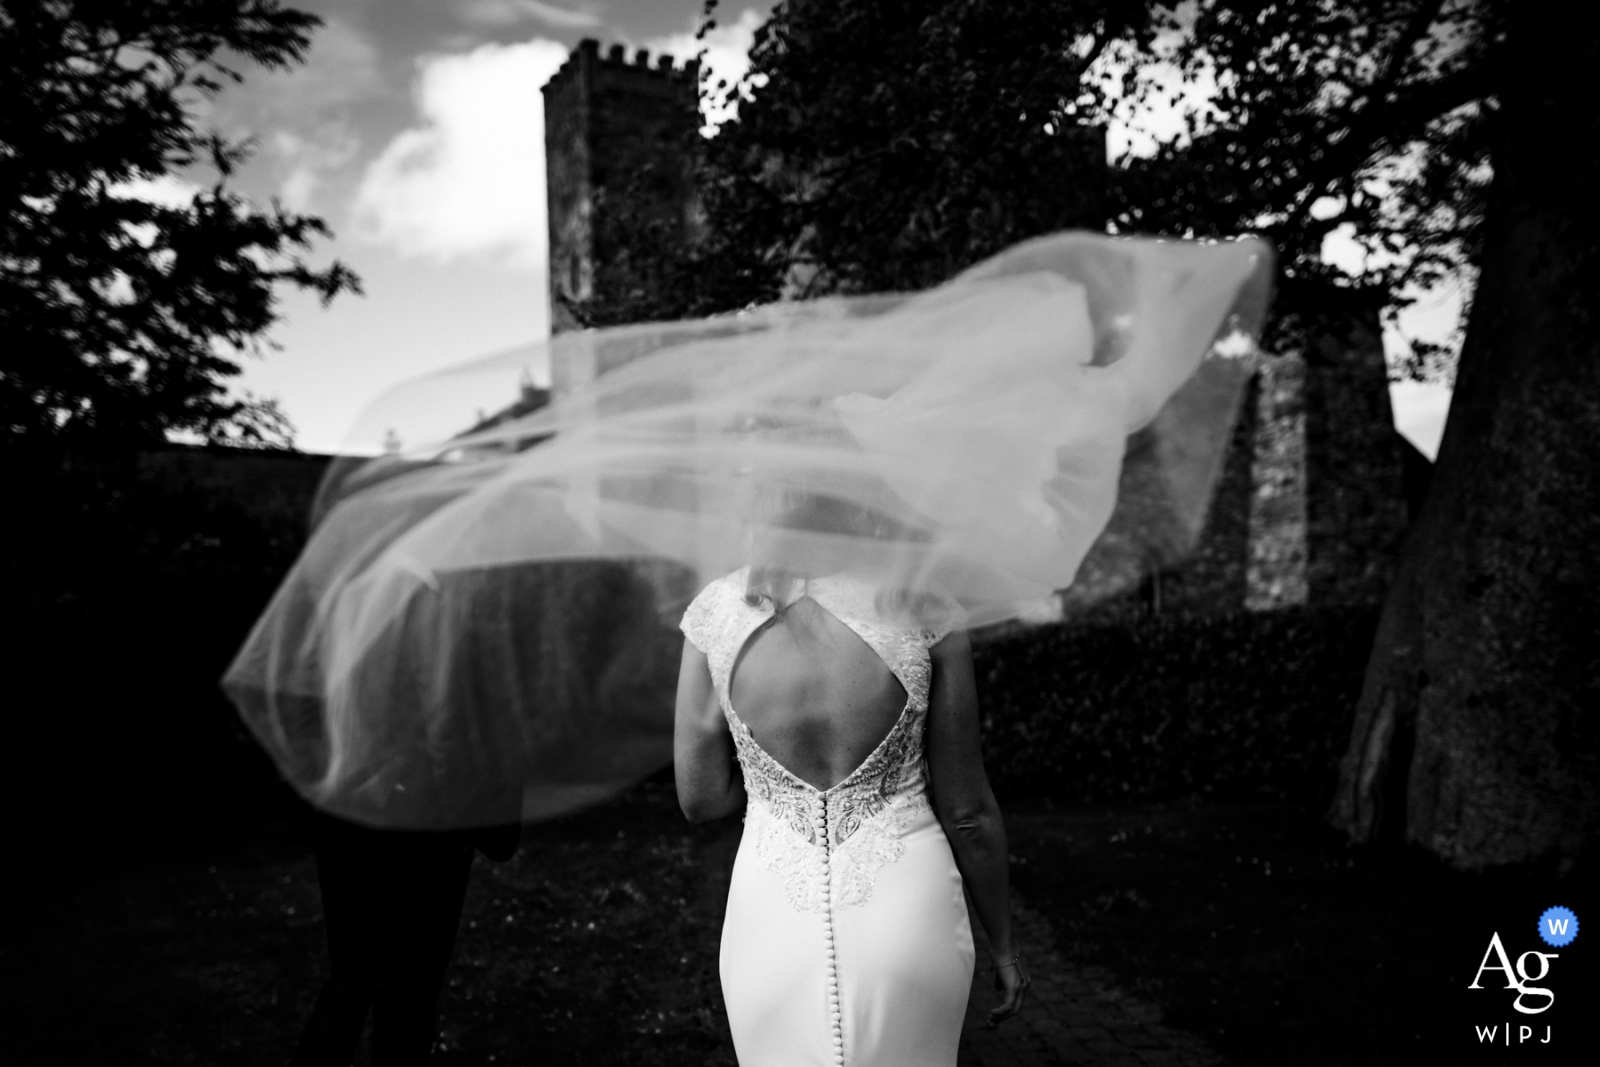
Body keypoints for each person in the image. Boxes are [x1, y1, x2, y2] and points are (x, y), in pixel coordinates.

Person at [674, 550, 1027, 1066]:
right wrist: (1004, 948)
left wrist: (765, 784)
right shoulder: (918, 603)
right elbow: (968, 813)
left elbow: (701, 799)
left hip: (769, 919)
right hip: (908, 911)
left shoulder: (718, 613)